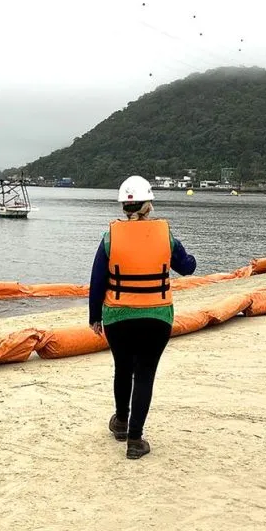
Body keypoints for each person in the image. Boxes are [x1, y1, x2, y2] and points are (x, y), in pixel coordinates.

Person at [89, 175, 197, 460]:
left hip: (117, 316)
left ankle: (121, 423)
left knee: (123, 368)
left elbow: (97, 280)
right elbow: (187, 267)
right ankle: (135, 440)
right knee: (145, 374)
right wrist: (186, 256)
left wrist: (94, 317)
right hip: (157, 317)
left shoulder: (110, 237)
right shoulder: (164, 234)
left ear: (124, 207)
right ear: (148, 205)